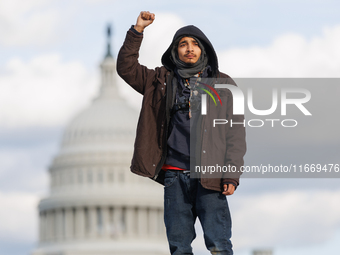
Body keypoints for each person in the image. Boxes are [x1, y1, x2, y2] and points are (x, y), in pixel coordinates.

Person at [117, 11, 246, 255]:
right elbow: (126, 68)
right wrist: (138, 31)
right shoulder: (159, 80)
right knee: (179, 248)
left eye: (195, 44)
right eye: (183, 44)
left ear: (204, 49)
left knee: (219, 244)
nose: (189, 49)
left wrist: (231, 175)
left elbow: (235, 134)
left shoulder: (224, 84)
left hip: (211, 177)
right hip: (174, 177)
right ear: (175, 51)